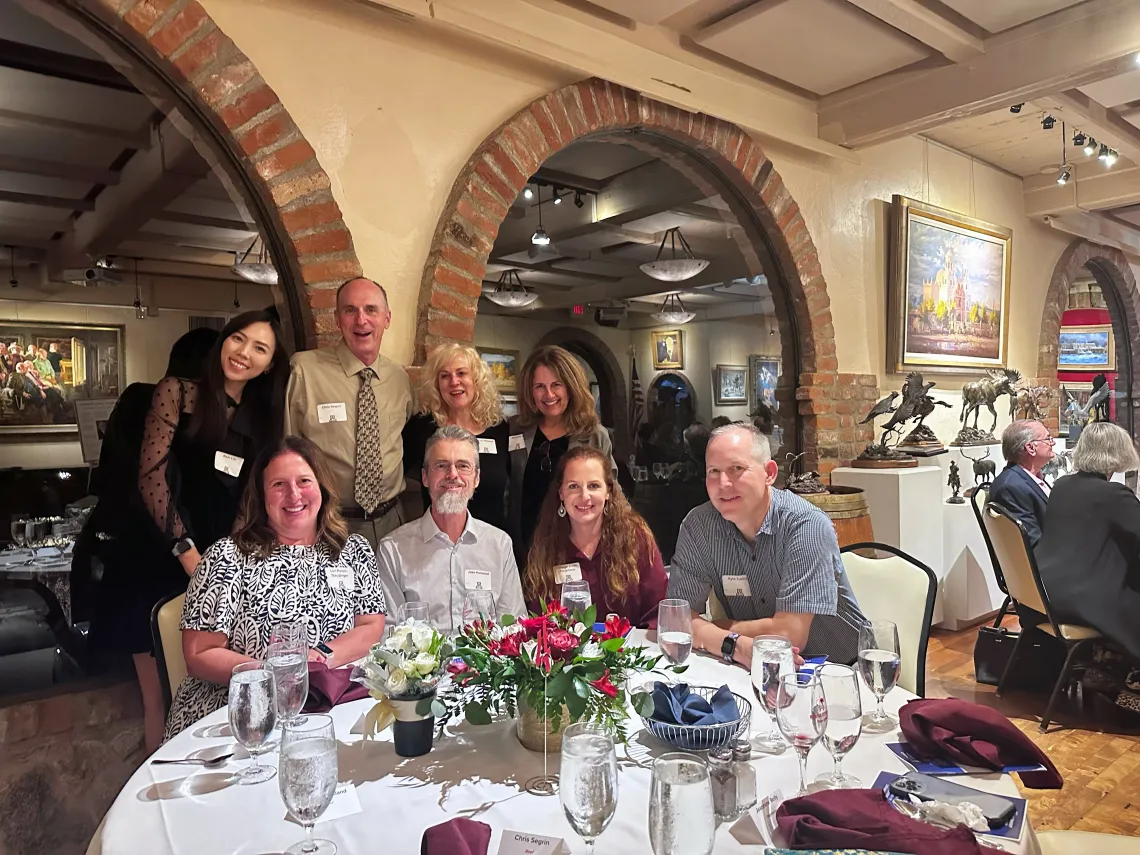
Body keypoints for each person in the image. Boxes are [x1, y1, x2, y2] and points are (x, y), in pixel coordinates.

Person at [164, 437, 386, 739]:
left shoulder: (353, 550)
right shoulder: (227, 557)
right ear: (261, 496)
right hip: (235, 713)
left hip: (330, 704)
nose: (294, 495)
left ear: (321, 487)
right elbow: (199, 654)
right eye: (279, 485)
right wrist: (277, 674)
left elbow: (371, 624)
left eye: (304, 481)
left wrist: (319, 657)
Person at [81, 327, 219, 753]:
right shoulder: (177, 413)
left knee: (158, 697)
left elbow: (109, 479)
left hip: (130, 565)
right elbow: (165, 492)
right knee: (169, 696)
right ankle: (162, 788)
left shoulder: (137, 402)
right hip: (159, 571)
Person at [666, 423, 866, 665]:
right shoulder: (698, 526)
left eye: (737, 469)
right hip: (752, 664)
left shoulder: (806, 525)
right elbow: (676, 621)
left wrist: (714, 629)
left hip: (839, 669)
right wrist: (735, 645)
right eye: (713, 472)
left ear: (769, 473)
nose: (723, 483)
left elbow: (789, 636)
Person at [139, 309, 288, 581]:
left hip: (230, 559)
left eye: (259, 348)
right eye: (238, 339)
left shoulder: (264, 416)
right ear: (223, 341)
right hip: (169, 545)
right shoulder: (177, 393)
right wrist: (186, 551)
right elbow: (152, 476)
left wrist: (230, 555)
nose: (243, 352)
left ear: (269, 364)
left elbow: (254, 490)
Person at [285, 278, 412, 547]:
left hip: (393, 523)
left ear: (387, 318)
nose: (361, 320)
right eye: (350, 310)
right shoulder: (305, 371)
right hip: (329, 524)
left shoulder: (399, 378)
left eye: (371, 310)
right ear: (337, 318)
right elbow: (285, 453)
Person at [375, 425, 525, 631]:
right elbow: (388, 633)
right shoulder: (393, 550)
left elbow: (513, 626)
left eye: (463, 466)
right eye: (441, 465)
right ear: (425, 477)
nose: (452, 474)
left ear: (477, 478)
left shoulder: (499, 545)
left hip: (485, 662)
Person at [525, 446, 667, 627]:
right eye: (573, 486)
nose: (584, 496)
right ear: (561, 492)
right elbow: (538, 621)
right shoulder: (547, 545)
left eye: (593, 486)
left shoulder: (635, 538)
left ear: (608, 491)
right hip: (567, 654)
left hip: (629, 651)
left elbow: (658, 613)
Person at [1036, 423, 1140, 661]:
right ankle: (1124, 675)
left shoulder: (1062, 486)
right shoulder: (1113, 494)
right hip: (1084, 602)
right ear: (1119, 452)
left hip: (1045, 593)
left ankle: (1103, 664)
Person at [508, 345, 615, 563]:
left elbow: (613, 494)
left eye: (556, 385)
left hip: (574, 549)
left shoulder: (595, 435)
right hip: (521, 547)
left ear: (571, 387)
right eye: (540, 386)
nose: (549, 395)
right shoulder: (514, 429)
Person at [402, 342, 509, 529]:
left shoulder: (500, 429)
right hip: (437, 540)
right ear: (436, 384)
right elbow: (393, 472)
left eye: (461, 373)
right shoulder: (422, 428)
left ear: (476, 378)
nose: (454, 382)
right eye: (445, 376)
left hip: (491, 542)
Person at [988, 419, 1053, 548]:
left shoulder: (1029, 477)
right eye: (1048, 439)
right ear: (1030, 448)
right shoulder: (1010, 487)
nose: (1053, 442)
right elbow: (1033, 543)